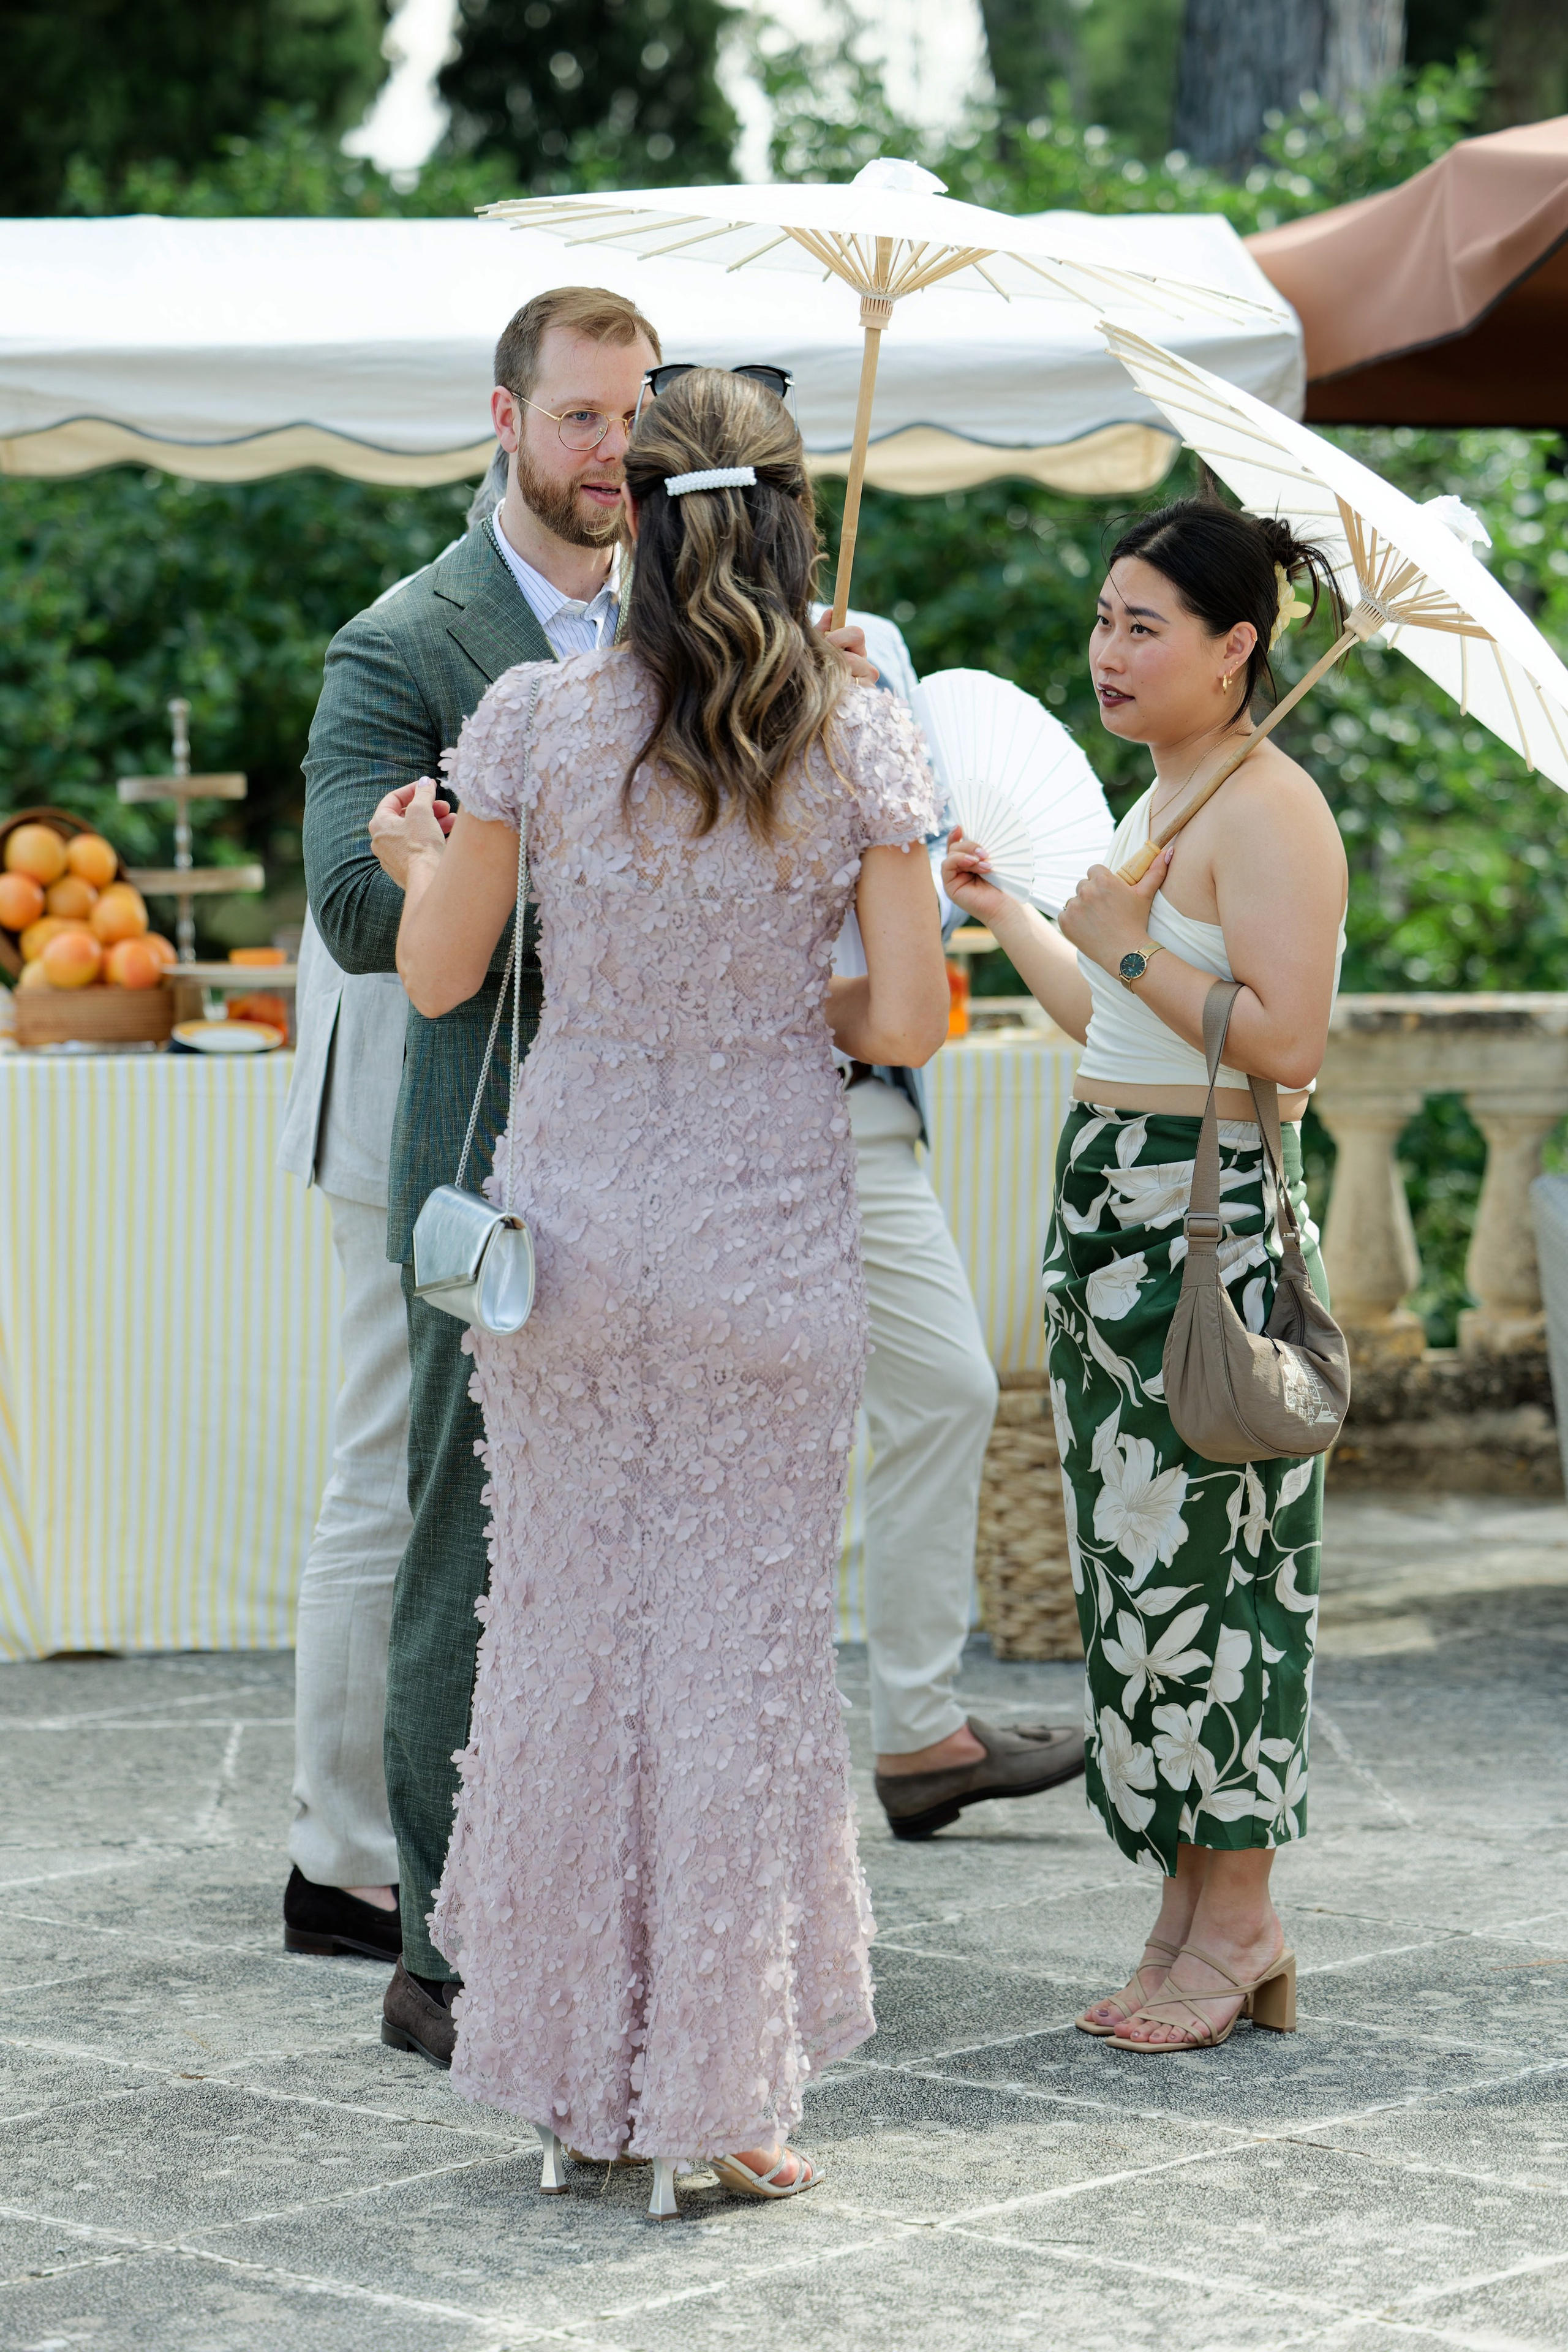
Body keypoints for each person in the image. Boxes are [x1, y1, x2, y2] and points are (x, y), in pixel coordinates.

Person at [371, 369, 949, 2211]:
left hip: (585, 1252)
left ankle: (567, 2092)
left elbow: (444, 978)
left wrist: (413, 857)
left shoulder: (536, 715)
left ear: (641, 508)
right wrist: (808, 998)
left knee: (570, 1654)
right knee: (742, 1669)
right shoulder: (853, 730)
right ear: (786, 516)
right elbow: (912, 1015)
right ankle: (718, 2097)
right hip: (770, 1243)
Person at [302, 284, 664, 2066]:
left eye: (635, 419)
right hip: (488, 1161)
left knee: (631, 1553)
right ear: (505, 421)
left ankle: (599, 1897)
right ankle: (441, 1952)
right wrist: (470, 845)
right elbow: (361, 918)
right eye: (584, 418)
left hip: (674, 1148)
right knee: (471, 1543)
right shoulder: (402, 642)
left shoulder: (696, 621)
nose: (616, 455)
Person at [944, 492, 1346, 2054]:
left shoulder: (1269, 811)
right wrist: (1017, 919)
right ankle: (1185, 1914)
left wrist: (1119, 944)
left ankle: (1240, 1921)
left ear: (1233, 646)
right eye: (1103, 619)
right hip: (1115, 1214)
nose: (1105, 651)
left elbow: (1284, 1046)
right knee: (1138, 1584)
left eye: (1141, 627)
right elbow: (1107, 1020)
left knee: (1221, 1582)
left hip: (1211, 1227)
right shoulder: (1167, 795)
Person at [818, 615, 1084, 1836]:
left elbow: (911, 886)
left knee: (946, 1387)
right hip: (712, 1099)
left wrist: (869, 735)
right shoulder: (635, 639)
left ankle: (920, 1734)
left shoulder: (871, 645)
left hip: (867, 1096)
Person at [274, 916, 409, 1961]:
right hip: (393, 1083)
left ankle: (361, 1843)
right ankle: (345, 1860)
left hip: (400, 1078)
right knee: (385, 1475)